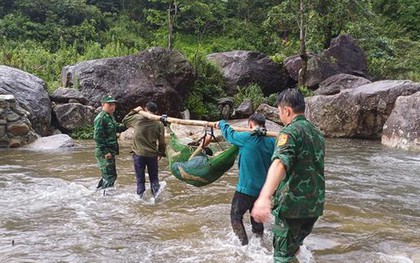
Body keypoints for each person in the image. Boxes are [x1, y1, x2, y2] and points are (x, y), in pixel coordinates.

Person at [251, 88, 325, 262]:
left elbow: (280, 163)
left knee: (282, 257)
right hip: (313, 206)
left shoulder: (289, 132)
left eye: (279, 111)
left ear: (286, 110)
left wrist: (264, 197)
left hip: (292, 206)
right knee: (293, 249)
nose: (279, 115)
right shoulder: (317, 133)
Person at [215, 113, 275, 245]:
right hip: (263, 191)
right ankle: (260, 242)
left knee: (235, 216)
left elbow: (230, 134)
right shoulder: (272, 142)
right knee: (256, 217)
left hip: (245, 189)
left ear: (250, 125)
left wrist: (221, 123)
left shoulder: (246, 138)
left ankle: (243, 245)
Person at [122, 102, 166, 198]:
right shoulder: (159, 124)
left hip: (139, 154)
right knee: (154, 179)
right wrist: (161, 153)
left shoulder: (137, 118)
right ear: (156, 112)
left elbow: (124, 121)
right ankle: (156, 198)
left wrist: (135, 111)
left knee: (140, 180)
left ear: (145, 109)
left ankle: (140, 198)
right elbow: (162, 142)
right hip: (152, 155)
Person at [93, 95, 126, 189]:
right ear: (103, 105)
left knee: (107, 175)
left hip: (110, 151)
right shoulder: (101, 118)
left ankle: (99, 192)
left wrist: (127, 124)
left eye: (114, 104)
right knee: (110, 176)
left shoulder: (110, 117)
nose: (112, 107)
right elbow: (98, 137)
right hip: (104, 152)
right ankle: (106, 197)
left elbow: (117, 128)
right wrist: (106, 152)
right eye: (110, 104)